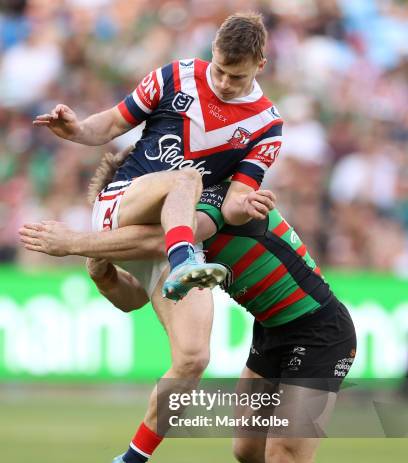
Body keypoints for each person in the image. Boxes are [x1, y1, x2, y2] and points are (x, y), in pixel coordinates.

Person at [21, 179, 370, 463]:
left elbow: (159, 237)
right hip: (274, 334)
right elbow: (136, 290)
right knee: (247, 450)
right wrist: (103, 269)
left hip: (321, 334)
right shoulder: (178, 218)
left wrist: (75, 241)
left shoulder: (217, 199)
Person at [32, 11, 283, 301]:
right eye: (219, 71)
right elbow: (114, 122)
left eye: (237, 77)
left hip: (175, 228)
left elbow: (232, 206)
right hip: (128, 199)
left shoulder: (267, 125)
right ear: (213, 51)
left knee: (187, 342)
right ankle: (179, 261)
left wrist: (247, 204)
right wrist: (78, 129)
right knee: (186, 179)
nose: (225, 83)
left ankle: (102, 267)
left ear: (260, 65)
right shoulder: (175, 76)